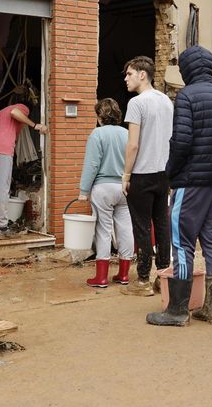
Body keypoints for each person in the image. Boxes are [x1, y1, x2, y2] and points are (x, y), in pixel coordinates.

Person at [146, 45, 212, 327]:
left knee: (182, 242)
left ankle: (177, 310)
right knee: (211, 240)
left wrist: (170, 173)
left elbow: (182, 142)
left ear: (186, 69)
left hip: (190, 182)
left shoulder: (186, 96)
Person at [120, 56, 174, 297]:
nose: (126, 79)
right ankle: (163, 276)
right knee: (162, 224)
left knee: (141, 227)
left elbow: (132, 145)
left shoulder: (137, 103)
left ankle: (142, 280)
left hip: (141, 173)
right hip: (164, 173)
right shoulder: (166, 101)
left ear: (143, 74)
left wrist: (125, 175)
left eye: (129, 74)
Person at [78, 98, 134, 287]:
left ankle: (101, 278)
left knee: (103, 230)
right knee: (125, 228)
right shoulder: (127, 134)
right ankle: (124, 275)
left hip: (102, 188)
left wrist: (84, 190)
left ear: (100, 116)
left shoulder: (97, 134)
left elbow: (92, 164)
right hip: (124, 187)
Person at [0, 101, 47, 239]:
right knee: (2, 188)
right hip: (2, 147)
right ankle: (2, 228)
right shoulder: (22, 108)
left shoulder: (1, 111)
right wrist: (35, 125)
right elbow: (15, 113)